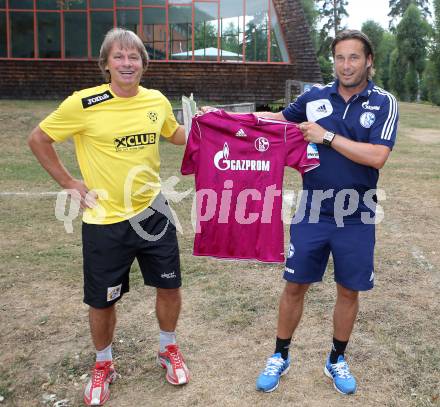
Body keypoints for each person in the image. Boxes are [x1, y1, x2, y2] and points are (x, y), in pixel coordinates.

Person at [28, 28, 189, 406]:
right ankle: (103, 363)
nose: (127, 63)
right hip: (104, 221)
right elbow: (38, 138)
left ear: (144, 64)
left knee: (169, 287)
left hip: (153, 212)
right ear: (106, 64)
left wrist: (217, 127)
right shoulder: (83, 103)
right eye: (119, 57)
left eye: (134, 57)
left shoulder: (156, 100)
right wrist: (68, 181)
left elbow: (176, 134)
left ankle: (167, 348)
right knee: (102, 301)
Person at [254, 29, 398, 395]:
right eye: (339, 58)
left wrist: (327, 137)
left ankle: (336, 358)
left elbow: (377, 155)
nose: (346, 65)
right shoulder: (315, 96)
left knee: (349, 291)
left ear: (369, 62)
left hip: (357, 213)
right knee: (294, 285)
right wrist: (221, 118)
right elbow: (277, 122)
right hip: (313, 209)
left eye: (354, 58)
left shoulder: (383, 103)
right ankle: (280, 354)